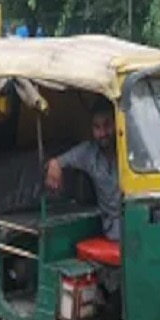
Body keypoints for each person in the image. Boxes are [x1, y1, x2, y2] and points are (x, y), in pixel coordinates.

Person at [44, 98, 120, 241]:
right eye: (97, 127)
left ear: (117, 124)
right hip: (113, 229)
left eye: (107, 125)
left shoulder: (130, 150)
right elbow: (57, 161)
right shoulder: (88, 153)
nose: (103, 133)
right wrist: (54, 165)